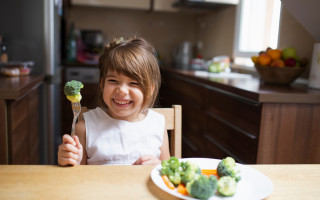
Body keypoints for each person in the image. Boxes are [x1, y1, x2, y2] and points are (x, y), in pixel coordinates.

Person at [58, 37, 170, 166]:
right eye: (113, 81)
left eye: (133, 83)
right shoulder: (84, 128)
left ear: (150, 89)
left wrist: (159, 166)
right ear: (102, 84)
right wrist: (68, 160)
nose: (122, 90)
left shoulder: (157, 125)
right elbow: (74, 178)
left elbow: (168, 174)